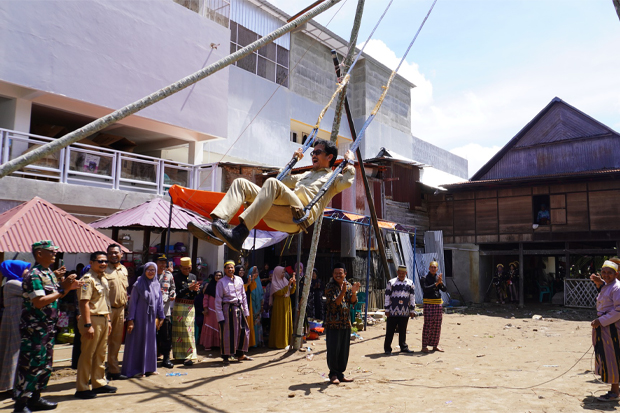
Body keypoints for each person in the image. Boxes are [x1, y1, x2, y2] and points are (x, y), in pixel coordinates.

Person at [188, 140, 356, 252]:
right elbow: (283, 179)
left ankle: (240, 233)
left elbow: (347, 182)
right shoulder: (305, 175)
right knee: (241, 183)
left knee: (272, 185)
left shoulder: (333, 178)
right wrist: (293, 161)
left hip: (298, 215)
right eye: (313, 152)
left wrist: (349, 162)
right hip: (279, 211)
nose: (313, 155)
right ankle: (217, 225)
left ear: (329, 157)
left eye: (318, 152)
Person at [12, 241, 79, 413]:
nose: (55, 254)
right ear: (39, 253)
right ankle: (21, 404)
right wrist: (64, 290)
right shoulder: (34, 275)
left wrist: (65, 284)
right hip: (34, 329)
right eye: (51, 251)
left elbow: (54, 293)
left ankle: (35, 398)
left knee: (44, 365)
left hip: (47, 328)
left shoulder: (47, 273)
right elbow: (39, 302)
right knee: (30, 365)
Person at [75, 251, 116, 399]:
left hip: (103, 318)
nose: (104, 264)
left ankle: (99, 382)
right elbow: (84, 303)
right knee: (87, 354)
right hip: (91, 319)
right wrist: (87, 325)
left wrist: (109, 320)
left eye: (105, 261)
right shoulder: (87, 279)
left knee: (100, 353)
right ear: (91, 263)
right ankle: (82, 387)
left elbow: (106, 302)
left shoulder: (103, 279)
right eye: (100, 261)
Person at [122, 262, 165, 378]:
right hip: (139, 318)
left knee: (150, 343)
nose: (151, 272)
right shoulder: (138, 284)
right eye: (148, 270)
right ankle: (136, 369)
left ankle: (149, 368)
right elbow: (133, 304)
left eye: (153, 270)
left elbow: (159, 302)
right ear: (144, 271)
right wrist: (130, 319)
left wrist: (161, 316)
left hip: (151, 319)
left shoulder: (156, 284)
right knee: (138, 342)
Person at [590, 261, 620, 401]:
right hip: (606, 326)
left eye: (610, 273)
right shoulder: (608, 286)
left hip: (612, 327)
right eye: (604, 272)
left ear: (616, 274)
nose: (606, 275)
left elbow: (618, 310)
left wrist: (600, 321)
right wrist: (599, 282)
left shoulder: (617, 288)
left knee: (613, 357)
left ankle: (614, 392)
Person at [324, 263, 359, 385]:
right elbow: (335, 304)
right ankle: (333, 374)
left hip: (345, 323)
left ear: (345, 274)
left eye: (340, 273)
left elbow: (353, 302)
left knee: (344, 350)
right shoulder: (329, 287)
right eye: (336, 273)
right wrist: (342, 292)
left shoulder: (348, 285)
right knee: (333, 349)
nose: (338, 275)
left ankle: (340, 374)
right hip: (333, 324)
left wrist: (353, 292)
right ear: (333, 275)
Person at [0, 261, 31, 393]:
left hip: (18, 320)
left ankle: (15, 383)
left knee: (17, 351)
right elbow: (31, 292)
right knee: (13, 351)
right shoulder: (12, 284)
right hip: (13, 320)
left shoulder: (17, 283)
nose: (27, 271)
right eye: (25, 269)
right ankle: (9, 386)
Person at [215, 261, 251, 365]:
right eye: (228, 268)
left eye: (232, 268)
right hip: (228, 310)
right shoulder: (221, 282)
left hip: (240, 309)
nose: (230, 270)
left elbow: (243, 296)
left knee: (243, 331)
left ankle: (240, 354)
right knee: (228, 333)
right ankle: (226, 356)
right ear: (225, 269)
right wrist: (220, 317)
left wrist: (246, 311)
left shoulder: (239, 280)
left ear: (234, 269)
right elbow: (218, 300)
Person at [104, 243, 129, 381]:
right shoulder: (103, 269)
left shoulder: (124, 270)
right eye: (111, 253)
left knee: (116, 342)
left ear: (121, 254)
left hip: (120, 310)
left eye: (116, 252)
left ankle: (114, 370)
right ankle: (99, 372)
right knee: (102, 342)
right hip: (107, 310)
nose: (114, 255)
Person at [172, 257, 199, 366]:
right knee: (179, 331)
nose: (187, 270)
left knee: (189, 330)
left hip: (190, 306)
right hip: (179, 305)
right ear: (180, 267)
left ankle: (189, 356)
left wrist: (196, 291)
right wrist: (189, 289)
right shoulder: (176, 277)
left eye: (189, 268)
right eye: (185, 269)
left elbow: (194, 293)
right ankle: (179, 355)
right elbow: (176, 293)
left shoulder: (193, 277)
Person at [384, 265, 416, 355]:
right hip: (392, 311)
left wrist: (412, 310)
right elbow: (387, 296)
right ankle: (387, 348)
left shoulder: (410, 283)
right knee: (390, 330)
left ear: (406, 273)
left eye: (403, 273)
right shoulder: (391, 282)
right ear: (397, 273)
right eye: (400, 273)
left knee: (403, 330)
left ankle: (403, 347)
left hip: (404, 311)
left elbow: (412, 297)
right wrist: (386, 309)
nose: (401, 275)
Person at [420, 261, 447, 354]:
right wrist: (436, 284)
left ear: (437, 269)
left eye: (435, 267)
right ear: (428, 268)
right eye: (431, 267)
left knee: (437, 325)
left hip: (438, 303)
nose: (433, 269)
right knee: (428, 324)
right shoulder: (424, 278)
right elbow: (426, 289)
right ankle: (424, 346)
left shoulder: (437, 278)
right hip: (428, 303)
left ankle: (435, 345)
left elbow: (444, 289)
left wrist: (441, 283)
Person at [268, 266, 296, 349]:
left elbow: (291, 291)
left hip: (287, 302)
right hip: (279, 304)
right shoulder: (274, 283)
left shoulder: (284, 280)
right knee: (280, 322)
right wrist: (288, 285)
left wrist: (293, 285)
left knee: (287, 321)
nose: (283, 274)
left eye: (284, 272)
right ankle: (279, 343)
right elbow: (279, 293)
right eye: (282, 272)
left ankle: (287, 341)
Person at [155, 254, 175, 369]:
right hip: (152, 311)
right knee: (152, 335)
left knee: (166, 335)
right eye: (160, 262)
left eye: (164, 262)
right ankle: (151, 358)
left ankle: (166, 358)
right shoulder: (150, 274)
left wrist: (173, 294)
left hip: (165, 310)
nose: (163, 265)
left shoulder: (168, 275)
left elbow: (172, 288)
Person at [200, 271, 223, 350]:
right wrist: (205, 308)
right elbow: (205, 298)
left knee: (219, 326)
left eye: (220, 275)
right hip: (210, 310)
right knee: (210, 325)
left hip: (220, 309)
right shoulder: (210, 286)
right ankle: (208, 345)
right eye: (217, 275)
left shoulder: (223, 285)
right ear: (214, 276)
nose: (218, 277)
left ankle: (218, 344)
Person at [248, 266, 264, 346]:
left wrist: (261, 303)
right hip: (251, 304)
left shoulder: (259, 282)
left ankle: (258, 341)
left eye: (257, 272)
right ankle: (252, 342)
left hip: (258, 305)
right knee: (252, 322)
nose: (256, 274)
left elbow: (261, 293)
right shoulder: (248, 282)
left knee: (257, 322)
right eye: (254, 272)